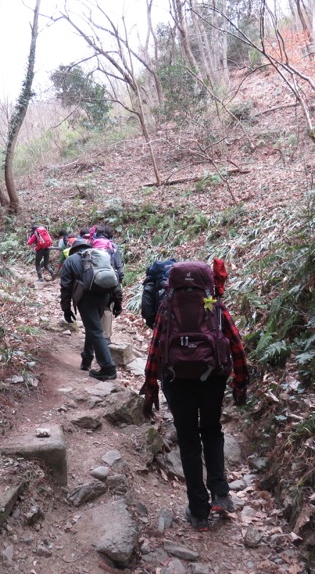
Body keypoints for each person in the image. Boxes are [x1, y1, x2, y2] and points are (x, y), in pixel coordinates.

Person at [140, 261, 249, 532]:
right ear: (206, 282)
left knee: (189, 442)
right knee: (212, 431)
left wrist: (151, 386)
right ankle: (221, 495)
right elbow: (235, 344)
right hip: (212, 377)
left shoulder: (167, 307)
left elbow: (156, 348)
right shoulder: (215, 305)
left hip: (176, 380)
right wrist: (239, 383)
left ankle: (199, 512)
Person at [60, 238, 123, 381]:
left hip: (86, 298)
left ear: (73, 250)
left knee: (95, 330)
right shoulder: (102, 256)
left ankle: (108, 368)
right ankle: (87, 360)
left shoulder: (70, 261)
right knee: (93, 328)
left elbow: (66, 287)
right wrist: (118, 302)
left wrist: (66, 308)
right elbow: (116, 280)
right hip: (105, 295)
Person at [91, 224, 124, 342]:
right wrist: (118, 282)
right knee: (107, 308)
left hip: (93, 281)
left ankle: (93, 335)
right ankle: (105, 338)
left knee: (92, 307)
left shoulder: (91, 245)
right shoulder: (113, 246)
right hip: (110, 281)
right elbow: (119, 266)